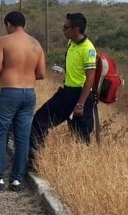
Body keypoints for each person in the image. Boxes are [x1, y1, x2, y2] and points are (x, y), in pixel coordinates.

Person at [0, 11, 46, 193]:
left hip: (9, 92)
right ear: (24, 24)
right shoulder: (36, 44)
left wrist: (11, 69)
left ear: (8, 24)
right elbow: (41, 73)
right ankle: (16, 180)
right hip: (29, 93)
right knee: (22, 138)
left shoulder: (4, 41)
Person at [29, 12, 97, 164]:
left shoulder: (88, 49)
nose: (63, 30)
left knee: (80, 137)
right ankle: (33, 160)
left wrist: (80, 103)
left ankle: (81, 168)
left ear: (76, 29)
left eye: (66, 27)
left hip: (81, 95)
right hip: (67, 93)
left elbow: (90, 78)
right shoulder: (71, 43)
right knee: (39, 121)